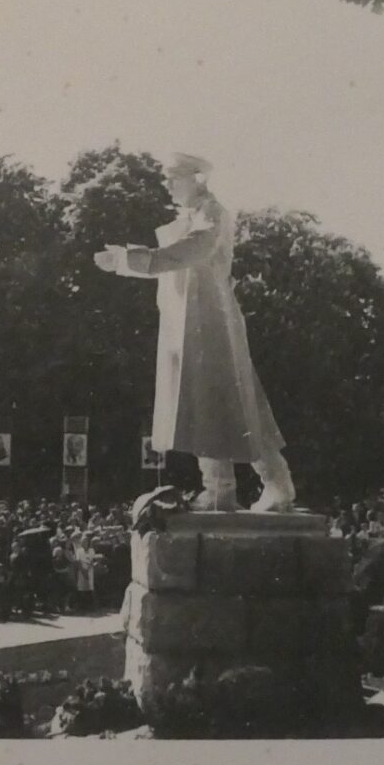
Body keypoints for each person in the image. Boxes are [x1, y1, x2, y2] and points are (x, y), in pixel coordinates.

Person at [94, 152, 296, 513]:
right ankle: (270, 484)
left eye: (175, 178)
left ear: (197, 180)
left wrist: (130, 259)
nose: (168, 185)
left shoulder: (212, 215)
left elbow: (189, 252)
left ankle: (225, 488)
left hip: (209, 319)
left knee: (214, 398)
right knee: (231, 400)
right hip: (195, 319)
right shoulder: (194, 216)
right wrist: (127, 262)